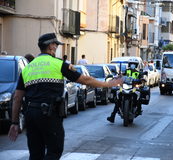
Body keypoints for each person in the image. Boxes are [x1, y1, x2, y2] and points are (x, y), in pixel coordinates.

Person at [8, 32, 122, 160]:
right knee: (54, 150)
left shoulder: (28, 68)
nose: (56, 48)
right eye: (56, 45)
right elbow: (85, 80)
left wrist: (14, 122)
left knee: (35, 154)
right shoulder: (58, 64)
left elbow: (17, 98)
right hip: (49, 114)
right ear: (51, 46)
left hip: (31, 114)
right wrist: (107, 84)